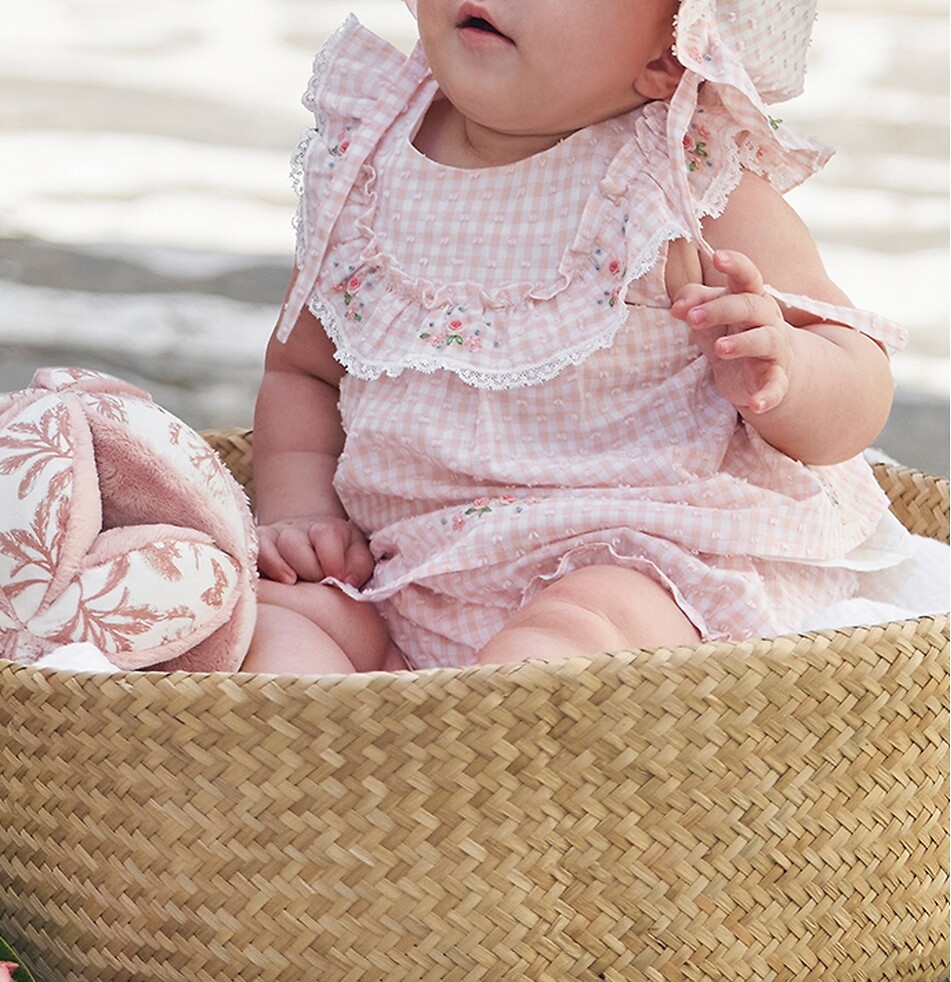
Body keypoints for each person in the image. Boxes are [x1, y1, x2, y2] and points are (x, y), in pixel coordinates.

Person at [241, 0, 911, 676]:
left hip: (634, 552)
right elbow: (303, 370)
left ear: (666, 55)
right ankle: (332, 756)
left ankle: (505, 743)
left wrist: (786, 369)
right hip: (397, 570)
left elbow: (856, 380)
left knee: (576, 630)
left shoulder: (685, 183)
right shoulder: (367, 164)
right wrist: (300, 511)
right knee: (274, 625)